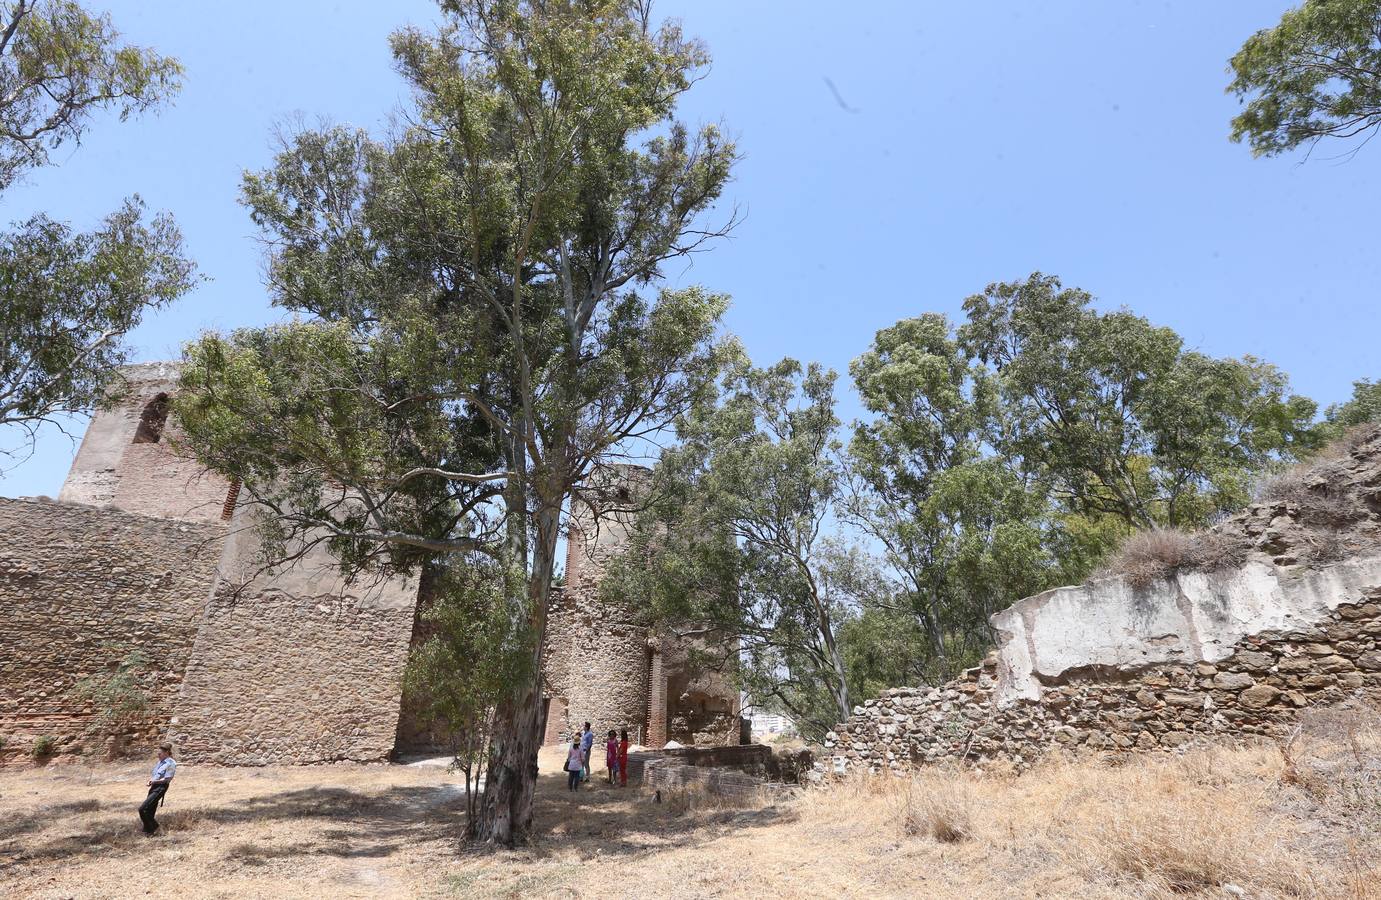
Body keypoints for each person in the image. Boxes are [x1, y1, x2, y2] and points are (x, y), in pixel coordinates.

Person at [139, 742, 177, 835]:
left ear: (167, 752)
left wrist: (154, 782)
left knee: (143, 809)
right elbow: (156, 775)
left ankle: (155, 827)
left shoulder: (170, 763)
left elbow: (167, 779)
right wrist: (151, 781)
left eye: (160, 754)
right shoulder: (160, 762)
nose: (158, 755)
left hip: (161, 787)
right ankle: (149, 832)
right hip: (154, 786)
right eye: (158, 754)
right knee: (150, 810)